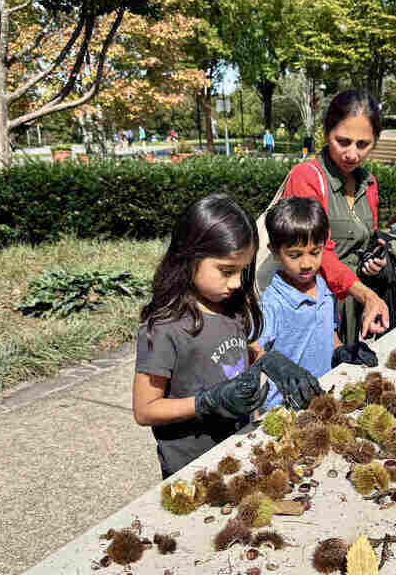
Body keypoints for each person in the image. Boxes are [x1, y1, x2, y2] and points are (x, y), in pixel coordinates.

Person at [133, 194, 322, 478]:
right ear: (189, 256)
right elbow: (145, 410)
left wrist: (268, 361)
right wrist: (207, 402)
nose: (236, 283)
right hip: (193, 467)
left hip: (240, 446)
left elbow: (236, 356)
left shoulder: (232, 308)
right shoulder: (163, 328)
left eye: (242, 271)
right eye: (226, 271)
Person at [283, 90, 391, 344]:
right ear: (326, 133)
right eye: (343, 141)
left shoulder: (369, 182)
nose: (352, 154)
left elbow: (368, 236)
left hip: (355, 306)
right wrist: (365, 295)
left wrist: (374, 259)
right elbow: (314, 253)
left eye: (363, 145)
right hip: (316, 307)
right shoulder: (306, 178)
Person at [259, 197, 341, 409]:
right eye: (294, 255)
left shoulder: (323, 287)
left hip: (323, 394)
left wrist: (341, 349)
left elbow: (329, 332)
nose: (306, 264)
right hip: (284, 407)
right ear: (275, 251)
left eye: (315, 252)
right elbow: (254, 352)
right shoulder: (272, 303)